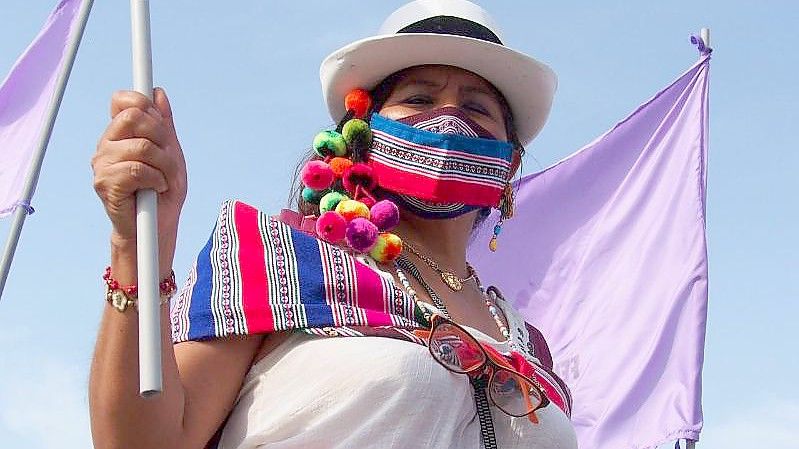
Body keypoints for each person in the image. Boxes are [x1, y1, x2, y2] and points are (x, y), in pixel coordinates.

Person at [89, 1, 577, 448]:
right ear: (361, 133)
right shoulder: (278, 257)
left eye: (476, 108)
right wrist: (138, 247)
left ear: (509, 165)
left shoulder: (527, 345)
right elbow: (145, 442)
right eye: (419, 99)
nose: (448, 117)